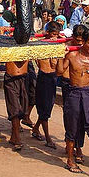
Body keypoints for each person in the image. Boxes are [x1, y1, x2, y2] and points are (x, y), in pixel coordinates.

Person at [57, 28, 89, 177]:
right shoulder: (72, 56)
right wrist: (62, 55)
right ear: (84, 42)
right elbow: (60, 72)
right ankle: (70, 159)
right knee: (72, 128)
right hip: (74, 93)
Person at [58, 24, 87, 163]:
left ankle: (78, 146)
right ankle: (71, 144)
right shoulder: (67, 46)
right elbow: (60, 70)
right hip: (68, 83)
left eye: (82, 41)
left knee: (82, 117)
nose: (80, 43)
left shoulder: (87, 47)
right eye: (77, 40)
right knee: (70, 116)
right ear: (73, 37)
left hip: (82, 86)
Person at [31, 21, 61, 149]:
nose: (55, 37)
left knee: (47, 107)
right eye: (53, 34)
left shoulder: (57, 43)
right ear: (48, 33)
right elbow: (44, 63)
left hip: (51, 77)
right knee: (45, 108)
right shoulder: (42, 43)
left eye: (57, 34)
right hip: (44, 77)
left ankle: (36, 128)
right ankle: (48, 137)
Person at [3, 57, 29, 151]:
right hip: (11, 78)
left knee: (23, 108)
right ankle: (17, 138)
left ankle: (14, 137)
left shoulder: (29, 44)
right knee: (14, 108)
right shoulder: (8, 44)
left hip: (24, 77)